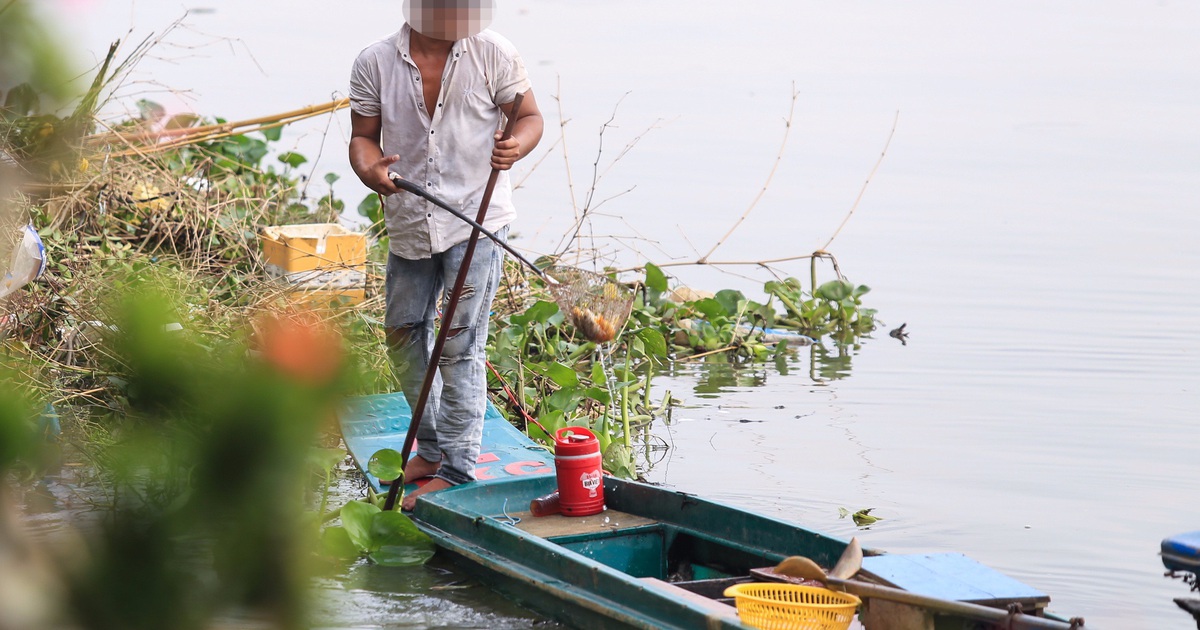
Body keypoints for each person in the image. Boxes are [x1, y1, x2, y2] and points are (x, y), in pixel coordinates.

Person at [348, 0, 543, 510]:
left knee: (460, 344)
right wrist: (372, 172)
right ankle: (430, 448)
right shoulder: (374, 61)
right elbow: (363, 139)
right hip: (411, 219)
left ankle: (457, 469)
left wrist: (516, 146)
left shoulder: (494, 53)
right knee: (402, 332)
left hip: (475, 223)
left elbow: (529, 117)